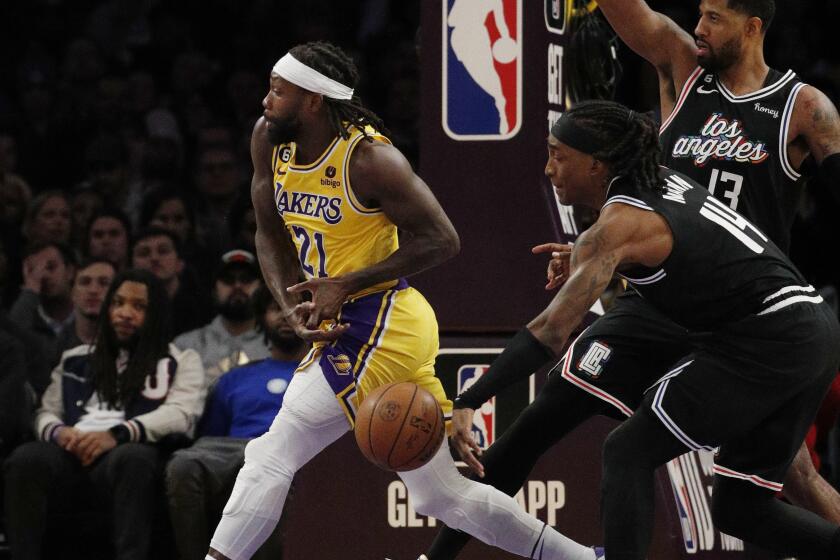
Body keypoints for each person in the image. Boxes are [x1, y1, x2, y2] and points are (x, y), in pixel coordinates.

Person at [425, 0, 840, 556]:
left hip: (747, 315)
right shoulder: (683, 70)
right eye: (699, 14)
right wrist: (592, 258)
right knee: (544, 415)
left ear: (753, 26)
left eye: (714, 18)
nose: (699, 28)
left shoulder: (803, 108)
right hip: (663, 299)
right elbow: (631, 12)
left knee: (793, 481)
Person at [207, 41, 600, 560]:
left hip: (381, 319)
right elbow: (268, 232)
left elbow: (443, 239)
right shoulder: (269, 140)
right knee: (442, 495)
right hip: (347, 319)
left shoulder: (370, 160)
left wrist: (344, 285)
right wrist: (289, 305)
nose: (265, 101)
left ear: (313, 101)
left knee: (271, 453)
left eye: (278, 91)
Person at [3, 268, 205, 560]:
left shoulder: (180, 359)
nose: (125, 313)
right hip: (72, 451)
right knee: (26, 458)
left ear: (157, 314)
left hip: (129, 452)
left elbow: (181, 414)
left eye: (139, 307)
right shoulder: (75, 360)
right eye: (118, 303)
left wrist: (116, 435)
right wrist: (61, 433)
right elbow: (45, 412)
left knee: (132, 457)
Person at [167, 285, 307, 560]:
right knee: (183, 465)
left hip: (290, 455)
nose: (286, 315)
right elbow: (210, 442)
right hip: (233, 451)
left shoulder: (326, 374)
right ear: (261, 317)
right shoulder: (234, 377)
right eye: (277, 308)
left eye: (297, 308)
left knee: (272, 473)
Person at [174, 250, 269, 384]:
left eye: (246, 279)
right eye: (228, 280)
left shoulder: (276, 344)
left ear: (262, 288)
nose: (237, 286)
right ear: (214, 290)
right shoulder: (186, 345)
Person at [131, 227, 210, 335]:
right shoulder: (126, 312)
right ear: (132, 266)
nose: (154, 258)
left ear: (180, 263)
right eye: (144, 253)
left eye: (163, 251)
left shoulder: (204, 308)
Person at [8, 242, 76, 361]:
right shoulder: (25, 316)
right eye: (33, 271)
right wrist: (30, 291)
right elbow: (10, 343)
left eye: (51, 267)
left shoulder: (87, 313)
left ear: (69, 272)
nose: (43, 276)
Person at [53, 258, 116, 364]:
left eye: (104, 283)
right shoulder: (53, 350)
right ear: (72, 293)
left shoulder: (132, 347)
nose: (93, 290)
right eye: (85, 282)